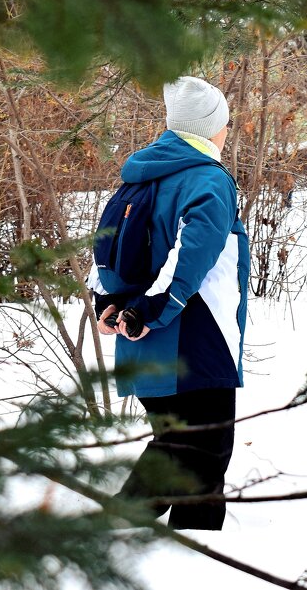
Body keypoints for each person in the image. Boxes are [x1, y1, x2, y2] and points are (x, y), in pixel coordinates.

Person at [88, 75, 249, 530]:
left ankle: (198, 546)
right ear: (208, 128)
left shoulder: (139, 178)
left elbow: (104, 249)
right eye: (224, 124)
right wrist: (149, 312)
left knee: (189, 444)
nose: (226, 132)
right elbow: (190, 254)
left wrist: (111, 304)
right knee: (200, 446)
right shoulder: (207, 180)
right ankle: (124, 525)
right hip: (192, 336)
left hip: (142, 336)